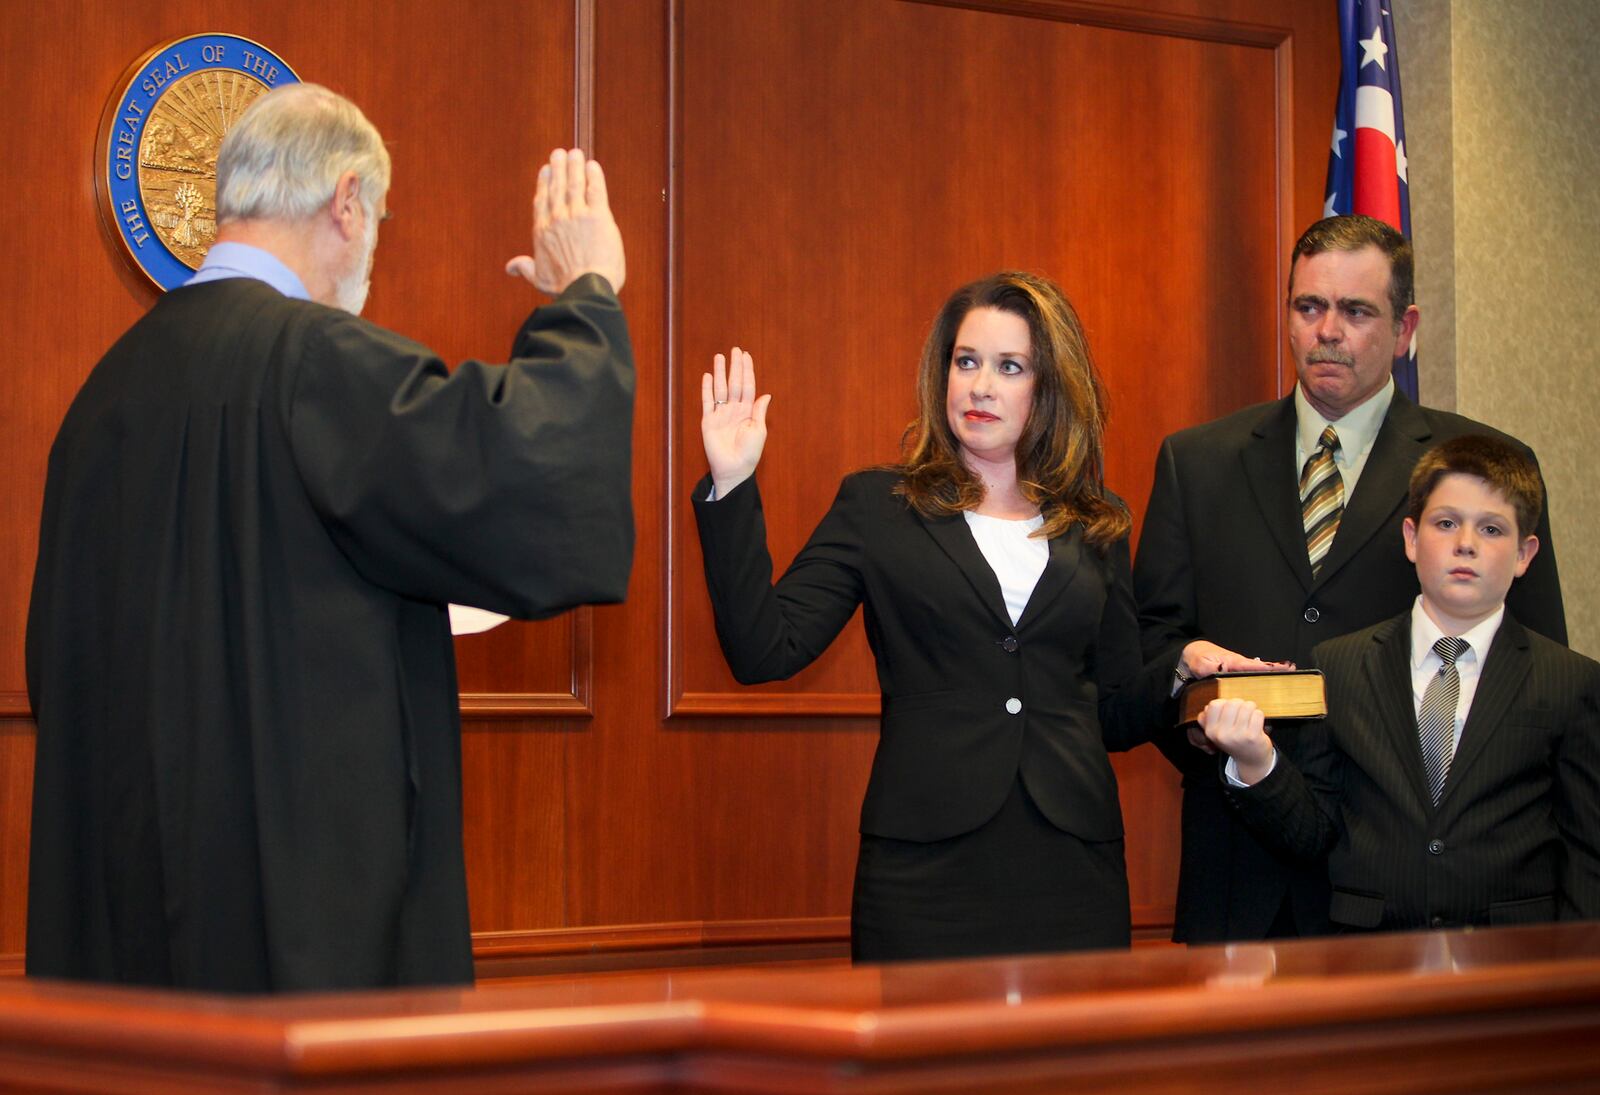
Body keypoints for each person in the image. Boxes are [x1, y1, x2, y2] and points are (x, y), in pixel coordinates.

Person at [25, 83, 633, 992]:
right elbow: (523, 467)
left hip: (132, 965)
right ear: (346, 201)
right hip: (298, 953)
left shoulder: (101, 401)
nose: (370, 266)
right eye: (378, 230)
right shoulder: (319, 363)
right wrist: (587, 299)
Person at [692, 272, 1265, 963]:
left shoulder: (1097, 524)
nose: (981, 386)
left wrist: (1180, 666)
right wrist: (732, 482)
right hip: (924, 873)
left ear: (1049, 387)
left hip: (1071, 866)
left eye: (1009, 366)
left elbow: (1111, 710)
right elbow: (764, 649)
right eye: (966, 362)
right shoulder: (879, 507)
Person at [1133, 214, 1567, 944]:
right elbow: (1149, 653)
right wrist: (1205, 725)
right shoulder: (1196, 463)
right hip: (1241, 870)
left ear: (1405, 329)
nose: (1327, 330)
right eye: (1309, 307)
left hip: (1407, 878)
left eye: (1357, 311)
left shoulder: (1483, 467)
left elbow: (1535, 669)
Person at [1197, 436, 1600, 932]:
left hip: (1512, 962)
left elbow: (1588, 855)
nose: (1466, 543)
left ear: (1524, 554)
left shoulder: (1570, 681)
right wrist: (1258, 762)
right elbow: (1315, 832)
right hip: (1371, 958)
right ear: (1411, 538)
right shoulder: (1342, 666)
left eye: (1492, 529)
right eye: (1446, 522)